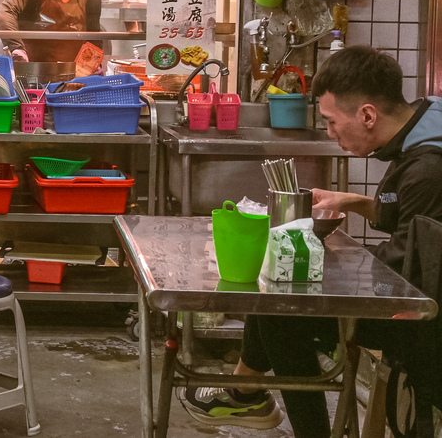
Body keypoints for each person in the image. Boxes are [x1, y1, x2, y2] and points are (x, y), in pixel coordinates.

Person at [180, 46, 442, 437]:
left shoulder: (427, 169)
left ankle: (260, 402)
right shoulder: (424, 123)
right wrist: (353, 202)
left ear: (367, 115)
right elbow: (404, 218)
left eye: (332, 122)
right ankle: (244, 392)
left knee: (284, 308)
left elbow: (400, 280)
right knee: (277, 288)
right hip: (418, 293)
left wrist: (314, 256)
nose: (331, 134)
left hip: (425, 321)